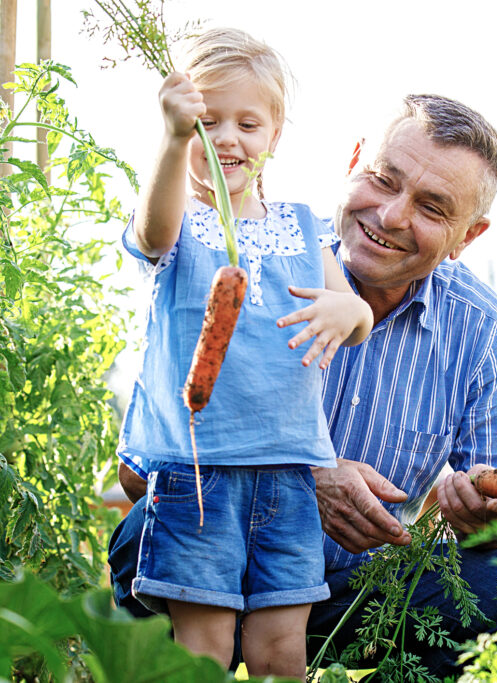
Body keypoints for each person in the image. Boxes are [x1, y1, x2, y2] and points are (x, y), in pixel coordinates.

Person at [110, 91, 497, 678]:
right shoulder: (256, 253)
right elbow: (142, 471)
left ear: (469, 235)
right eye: (383, 180)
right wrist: (304, 475)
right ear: (353, 160)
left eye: (433, 208)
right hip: (216, 564)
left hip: (360, 594)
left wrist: (482, 514)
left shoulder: (481, 330)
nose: (391, 216)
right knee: (145, 532)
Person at [117, 28, 373, 679]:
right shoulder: (179, 223)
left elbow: (354, 312)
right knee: (201, 645)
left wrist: (352, 310)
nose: (227, 137)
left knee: (282, 649)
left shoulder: (300, 222)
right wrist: (174, 141)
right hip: (198, 471)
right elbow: (151, 232)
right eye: (209, 121)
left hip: (290, 471)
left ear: (276, 134)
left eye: (248, 123)